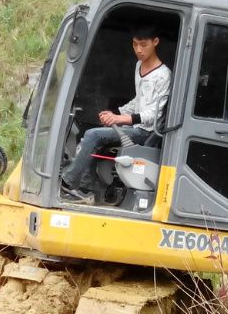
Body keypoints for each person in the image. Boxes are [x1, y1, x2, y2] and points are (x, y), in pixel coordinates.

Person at [60, 25, 171, 202]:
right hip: (135, 126)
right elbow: (138, 101)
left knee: (93, 135)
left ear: (155, 42)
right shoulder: (139, 66)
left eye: (143, 45)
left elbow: (153, 115)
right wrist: (116, 113)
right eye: (135, 44)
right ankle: (87, 188)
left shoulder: (163, 75)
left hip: (146, 132)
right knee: (90, 134)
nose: (138, 50)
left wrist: (120, 119)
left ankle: (67, 182)